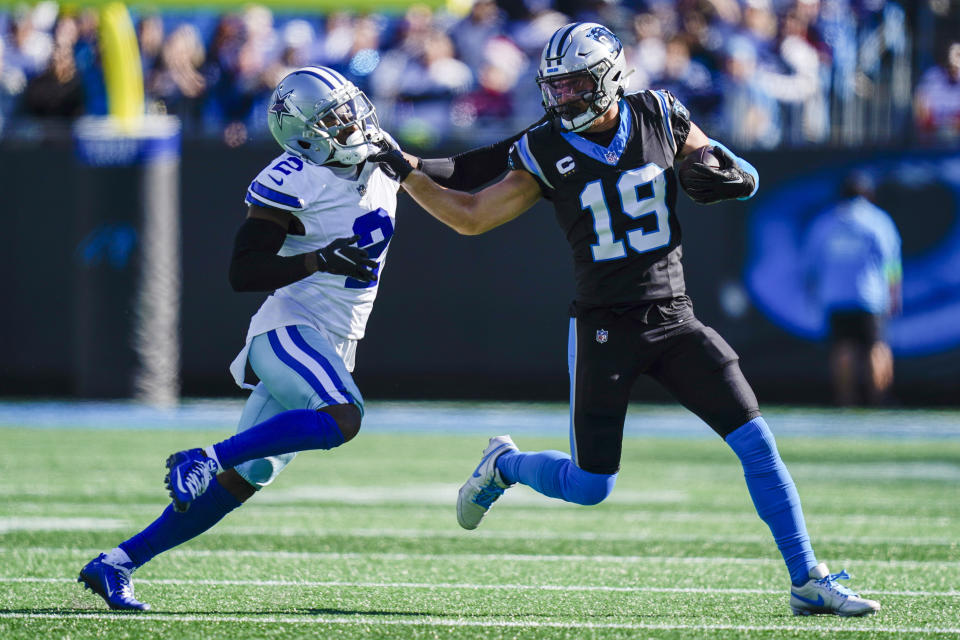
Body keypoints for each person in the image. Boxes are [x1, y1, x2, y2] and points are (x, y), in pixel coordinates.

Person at [373, 22, 881, 617]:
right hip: (604, 326)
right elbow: (471, 215)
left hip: (676, 316)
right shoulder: (544, 147)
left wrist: (733, 173)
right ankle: (504, 465)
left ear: (610, 77)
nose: (563, 99)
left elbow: (730, 167)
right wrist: (406, 171)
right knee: (591, 486)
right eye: (554, 88)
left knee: (757, 442)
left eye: (575, 86)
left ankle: (806, 578)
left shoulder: (660, 113)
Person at [78, 66, 399, 611]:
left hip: (333, 340)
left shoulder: (380, 151)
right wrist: (318, 259)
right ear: (304, 136)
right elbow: (243, 272)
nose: (352, 122)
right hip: (293, 328)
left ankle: (116, 563)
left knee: (240, 480)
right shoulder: (293, 177)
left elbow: (444, 174)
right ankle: (202, 454)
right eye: (334, 118)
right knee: (344, 416)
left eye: (350, 108)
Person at [803, 171, 902, 406]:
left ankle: (846, 400)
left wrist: (815, 292)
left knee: (842, 348)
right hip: (869, 295)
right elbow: (891, 262)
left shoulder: (825, 222)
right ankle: (878, 399)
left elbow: (811, 264)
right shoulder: (878, 221)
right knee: (875, 347)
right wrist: (894, 293)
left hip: (835, 296)